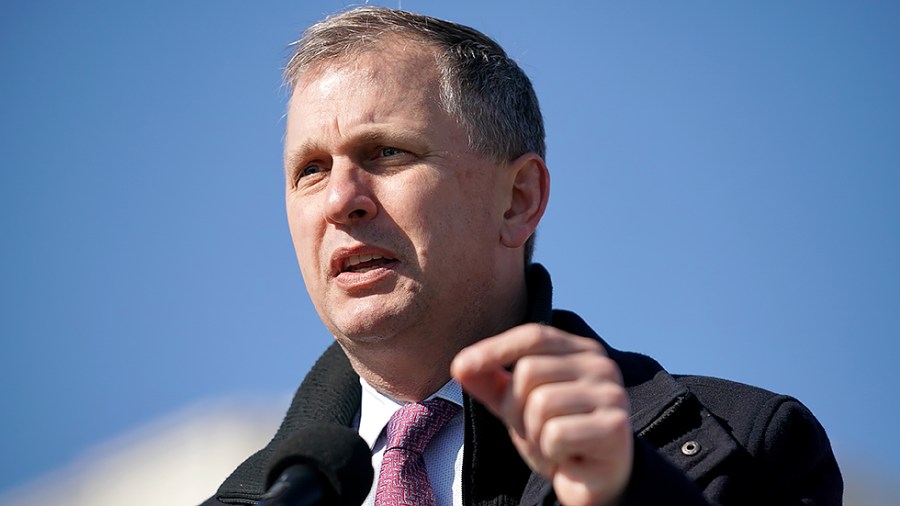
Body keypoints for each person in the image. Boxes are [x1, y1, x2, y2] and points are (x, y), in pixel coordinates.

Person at [204, 6, 842, 505]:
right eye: (310, 170)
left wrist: (628, 493)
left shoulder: (746, 448)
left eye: (387, 153)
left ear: (518, 199)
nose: (343, 199)